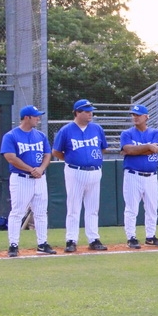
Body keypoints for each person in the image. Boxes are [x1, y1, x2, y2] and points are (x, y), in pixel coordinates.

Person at [52, 99, 108, 253]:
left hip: (95, 171)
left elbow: (103, 148)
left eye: (91, 111)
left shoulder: (97, 129)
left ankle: (93, 239)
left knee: (93, 208)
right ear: (77, 112)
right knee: (73, 207)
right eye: (87, 111)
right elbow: (56, 151)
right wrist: (71, 159)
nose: (90, 114)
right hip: (75, 171)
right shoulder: (66, 130)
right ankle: (71, 240)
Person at [0, 105, 54, 257]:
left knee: (41, 212)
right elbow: (10, 157)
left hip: (39, 179)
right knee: (18, 212)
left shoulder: (40, 136)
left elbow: (47, 154)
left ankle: (42, 244)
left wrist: (41, 169)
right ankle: (13, 245)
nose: (38, 118)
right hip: (21, 178)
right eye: (35, 116)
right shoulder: (11, 136)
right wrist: (31, 169)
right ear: (27, 117)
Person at [120, 104, 158, 249]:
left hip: (151, 176)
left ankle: (150, 236)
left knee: (152, 208)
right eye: (133, 115)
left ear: (146, 117)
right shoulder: (127, 133)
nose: (135, 117)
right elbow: (128, 150)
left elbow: (156, 149)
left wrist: (137, 150)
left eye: (138, 115)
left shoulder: (155, 132)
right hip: (133, 174)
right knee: (131, 208)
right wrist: (148, 147)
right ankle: (131, 237)